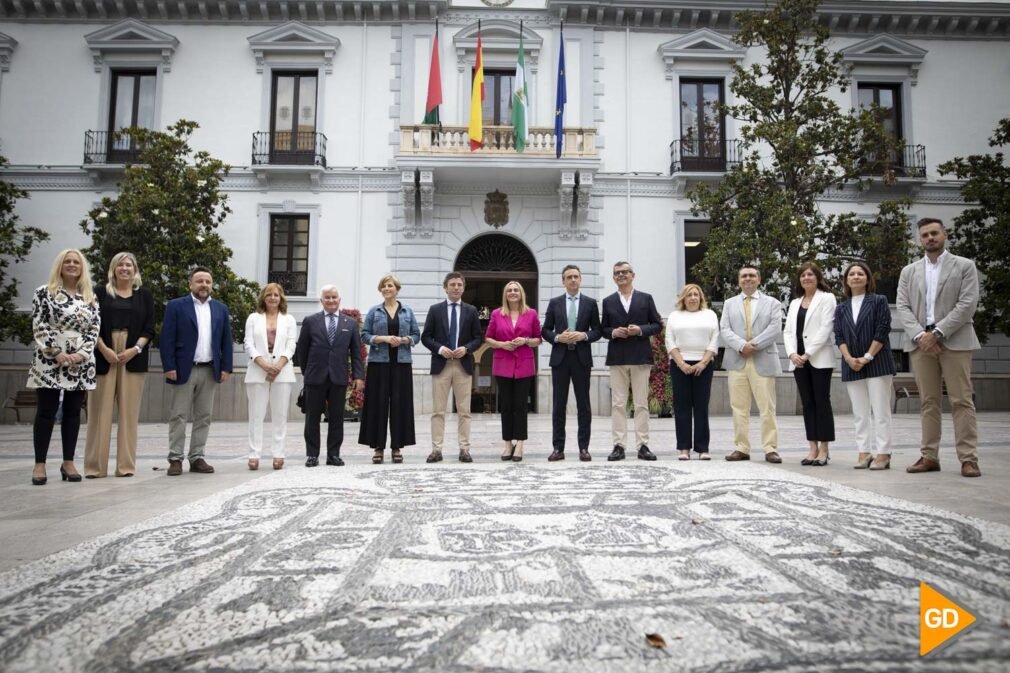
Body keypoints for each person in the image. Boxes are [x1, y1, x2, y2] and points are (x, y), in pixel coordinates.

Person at [897, 217, 982, 478]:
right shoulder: (909, 271)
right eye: (925, 235)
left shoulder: (965, 266)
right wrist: (922, 335)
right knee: (929, 402)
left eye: (934, 233)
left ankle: (968, 459)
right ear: (919, 240)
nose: (930, 238)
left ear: (944, 234)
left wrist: (938, 333)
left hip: (955, 340)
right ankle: (929, 456)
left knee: (961, 400)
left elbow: (968, 304)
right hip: (921, 343)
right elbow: (903, 306)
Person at [28, 249, 100, 486]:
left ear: (82, 267)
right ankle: (40, 464)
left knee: (72, 412)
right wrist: (56, 352)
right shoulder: (44, 293)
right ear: (59, 265)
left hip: (80, 362)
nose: (71, 265)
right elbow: (39, 324)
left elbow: (94, 328)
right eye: (67, 261)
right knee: (46, 412)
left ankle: (68, 462)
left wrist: (81, 353)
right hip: (50, 360)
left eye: (76, 262)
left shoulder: (89, 296)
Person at [84, 251, 154, 479]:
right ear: (113, 269)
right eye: (120, 265)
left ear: (135, 270)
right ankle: (95, 467)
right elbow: (90, 325)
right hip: (103, 351)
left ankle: (125, 466)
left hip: (133, 354)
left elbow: (149, 329)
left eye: (129, 265)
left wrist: (135, 349)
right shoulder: (99, 294)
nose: (125, 268)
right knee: (99, 413)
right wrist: (103, 348)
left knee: (129, 414)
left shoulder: (144, 295)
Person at [161, 267, 233, 476]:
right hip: (184, 369)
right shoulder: (176, 306)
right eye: (199, 281)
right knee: (179, 415)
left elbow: (225, 340)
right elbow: (167, 338)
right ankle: (175, 458)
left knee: (204, 416)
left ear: (212, 285)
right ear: (190, 284)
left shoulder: (220, 308)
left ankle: (197, 457)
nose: (204, 285)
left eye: (208, 282)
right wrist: (169, 366)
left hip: (210, 369)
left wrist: (226, 367)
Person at [834, 262, 896, 470]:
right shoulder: (841, 307)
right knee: (860, 413)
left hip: (877, 362)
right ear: (846, 280)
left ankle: (883, 453)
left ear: (868, 279)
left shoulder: (879, 301)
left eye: (861, 274)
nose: (856, 277)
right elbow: (839, 335)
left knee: (880, 411)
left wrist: (868, 356)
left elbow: (883, 328)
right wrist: (849, 358)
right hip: (851, 364)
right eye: (852, 274)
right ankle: (864, 451)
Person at [295, 285, 365, 467]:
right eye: (327, 297)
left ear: (339, 300)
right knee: (312, 418)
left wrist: (359, 377)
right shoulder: (310, 321)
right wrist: (307, 372)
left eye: (334, 297)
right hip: (315, 377)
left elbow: (356, 353)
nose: (331, 300)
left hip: (338, 377)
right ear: (321, 301)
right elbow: (302, 350)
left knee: (337, 418)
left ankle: (333, 454)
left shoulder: (349, 323)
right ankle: (312, 454)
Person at [721, 265, 784, 463]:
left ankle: (770, 448)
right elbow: (724, 329)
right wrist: (741, 345)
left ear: (759, 279)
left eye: (751, 276)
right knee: (739, 407)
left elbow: (775, 328)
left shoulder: (772, 303)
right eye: (743, 276)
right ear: (739, 281)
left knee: (767, 407)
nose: (747, 279)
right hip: (737, 360)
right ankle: (741, 447)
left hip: (762, 358)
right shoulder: (729, 303)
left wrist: (753, 345)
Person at [601, 261, 663, 461]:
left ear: (632, 275)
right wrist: (613, 332)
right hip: (618, 357)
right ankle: (619, 445)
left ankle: (643, 445)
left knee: (641, 403)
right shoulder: (608, 301)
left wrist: (641, 330)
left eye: (625, 272)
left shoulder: (645, 298)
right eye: (617, 273)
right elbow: (603, 329)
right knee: (618, 404)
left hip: (640, 356)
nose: (621, 275)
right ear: (613, 278)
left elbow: (657, 325)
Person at [421, 272, 483, 463]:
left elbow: (478, 338)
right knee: (438, 410)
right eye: (452, 284)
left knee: (464, 410)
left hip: (463, 365)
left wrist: (466, 348)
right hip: (442, 365)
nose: (456, 288)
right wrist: (439, 349)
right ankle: (436, 449)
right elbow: (426, 337)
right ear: (445, 287)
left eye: (459, 285)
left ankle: (464, 449)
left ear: (463, 288)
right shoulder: (435, 310)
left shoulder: (471, 311)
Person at [541, 264, 602, 461]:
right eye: (569, 277)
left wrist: (583, 335)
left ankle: (584, 448)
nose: (573, 280)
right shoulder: (554, 303)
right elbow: (545, 330)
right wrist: (558, 338)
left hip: (581, 359)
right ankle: (558, 448)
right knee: (559, 405)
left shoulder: (590, 303)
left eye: (576, 276)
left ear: (580, 279)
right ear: (563, 281)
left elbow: (597, 331)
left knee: (584, 405)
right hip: (560, 359)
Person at [359, 274, 420, 464]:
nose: (387, 289)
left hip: (401, 363)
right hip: (379, 364)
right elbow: (364, 335)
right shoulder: (374, 311)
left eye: (390, 286)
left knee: (400, 405)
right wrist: (383, 339)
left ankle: (396, 447)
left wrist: (403, 340)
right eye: (384, 286)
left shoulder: (407, 312)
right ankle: (378, 447)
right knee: (378, 405)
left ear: (397, 289)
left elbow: (416, 335)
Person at [784, 262, 837, 467]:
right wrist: (791, 354)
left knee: (822, 402)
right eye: (803, 275)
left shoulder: (827, 298)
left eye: (810, 274)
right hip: (798, 361)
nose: (806, 278)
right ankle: (812, 447)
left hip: (818, 358)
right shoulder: (795, 302)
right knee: (807, 404)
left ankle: (824, 448)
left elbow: (826, 329)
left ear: (817, 277)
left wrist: (807, 354)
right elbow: (788, 331)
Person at [485, 281, 542, 462]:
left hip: (524, 365)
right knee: (507, 406)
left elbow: (538, 339)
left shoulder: (531, 313)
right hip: (503, 365)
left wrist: (525, 340)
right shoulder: (497, 314)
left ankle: (521, 444)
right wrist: (502, 344)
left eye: (516, 290)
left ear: (521, 293)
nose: (512, 292)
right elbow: (488, 338)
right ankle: (508, 444)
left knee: (521, 406)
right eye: (509, 290)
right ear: (505, 294)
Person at [243, 283, 297, 471]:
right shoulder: (253, 318)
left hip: (283, 372)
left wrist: (278, 366)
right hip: (258, 372)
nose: (272, 298)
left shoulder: (289, 319)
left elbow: (291, 345)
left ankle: (278, 453)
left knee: (280, 416)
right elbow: (248, 344)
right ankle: (254, 454)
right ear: (263, 298)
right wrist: (264, 365)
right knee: (256, 415)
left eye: (276, 295)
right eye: (269, 295)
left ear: (281, 298)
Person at [665, 284, 719, 461]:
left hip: (703, 365)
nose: (693, 298)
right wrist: (681, 363)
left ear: (701, 297)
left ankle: (703, 448)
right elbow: (669, 340)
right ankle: (683, 448)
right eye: (689, 295)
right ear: (683, 298)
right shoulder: (674, 316)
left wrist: (703, 363)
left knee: (701, 407)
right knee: (682, 407)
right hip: (680, 364)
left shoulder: (710, 315)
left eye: (696, 294)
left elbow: (714, 339)